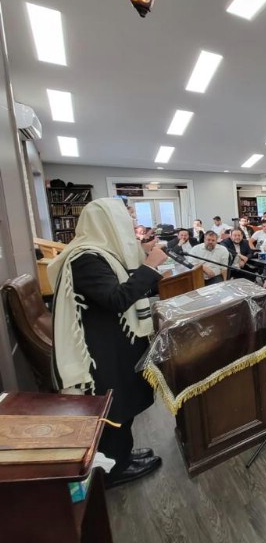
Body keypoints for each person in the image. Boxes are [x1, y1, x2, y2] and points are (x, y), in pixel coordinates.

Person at [48, 198, 166, 488]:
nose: (131, 227)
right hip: (99, 352)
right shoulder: (85, 259)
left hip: (114, 343)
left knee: (123, 405)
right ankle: (114, 469)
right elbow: (116, 299)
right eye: (127, 221)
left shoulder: (101, 254)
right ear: (108, 224)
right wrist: (150, 267)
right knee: (113, 409)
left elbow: (119, 285)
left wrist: (143, 258)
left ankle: (123, 455)